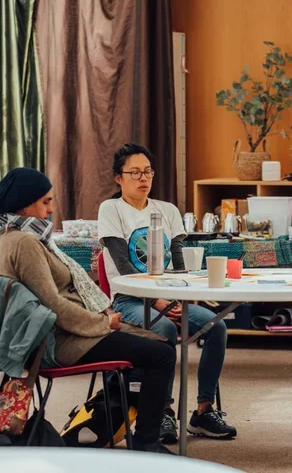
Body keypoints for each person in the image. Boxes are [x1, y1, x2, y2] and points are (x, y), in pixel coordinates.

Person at [0, 167, 176, 454]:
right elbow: (55, 305)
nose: (51, 210)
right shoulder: (25, 243)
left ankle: (111, 416)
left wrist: (102, 320)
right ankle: (146, 443)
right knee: (161, 354)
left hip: (64, 331)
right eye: (46, 202)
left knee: (154, 343)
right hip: (57, 341)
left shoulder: (21, 235)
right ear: (25, 205)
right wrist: (103, 324)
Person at [98, 144, 237, 444]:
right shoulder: (111, 210)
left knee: (217, 326)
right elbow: (123, 267)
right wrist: (157, 302)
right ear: (118, 179)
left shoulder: (167, 210)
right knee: (161, 328)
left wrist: (180, 298)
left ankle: (203, 411)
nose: (142, 178)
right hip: (130, 299)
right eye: (134, 172)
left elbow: (179, 265)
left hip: (170, 297)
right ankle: (161, 411)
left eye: (147, 171)